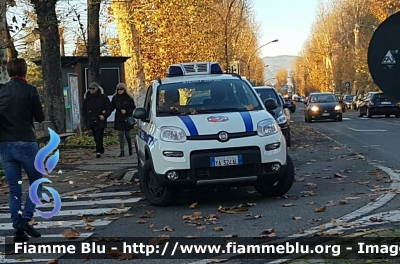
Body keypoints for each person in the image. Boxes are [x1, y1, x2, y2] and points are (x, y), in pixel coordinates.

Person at [0, 58, 45, 242]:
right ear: (25, 71)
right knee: (37, 183)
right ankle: (26, 218)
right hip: (26, 142)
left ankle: (17, 227)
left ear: (9, 71)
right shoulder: (30, 91)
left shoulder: (1, 91)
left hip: (5, 145)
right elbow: (40, 117)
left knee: (14, 189)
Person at [82, 82, 112, 158]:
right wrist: (85, 120)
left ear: (97, 88)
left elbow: (109, 108)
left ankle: (98, 150)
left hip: (100, 119)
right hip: (91, 119)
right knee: (95, 136)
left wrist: (104, 115)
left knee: (99, 135)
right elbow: (84, 110)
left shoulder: (103, 98)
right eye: (90, 89)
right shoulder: (87, 99)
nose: (91, 90)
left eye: (93, 89)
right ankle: (100, 148)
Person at [111, 83, 136, 157]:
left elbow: (133, 108)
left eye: (121, 89)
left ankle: (130, 148)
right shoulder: (115, 98)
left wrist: (127, 111)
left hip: (127, 118)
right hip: (119, 117)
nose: (119, 91)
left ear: (124, 90)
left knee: (128, 135)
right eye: (118, 89)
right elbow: (111, 106)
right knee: (120, 134)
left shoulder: (129, 98)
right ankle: (122, 150)